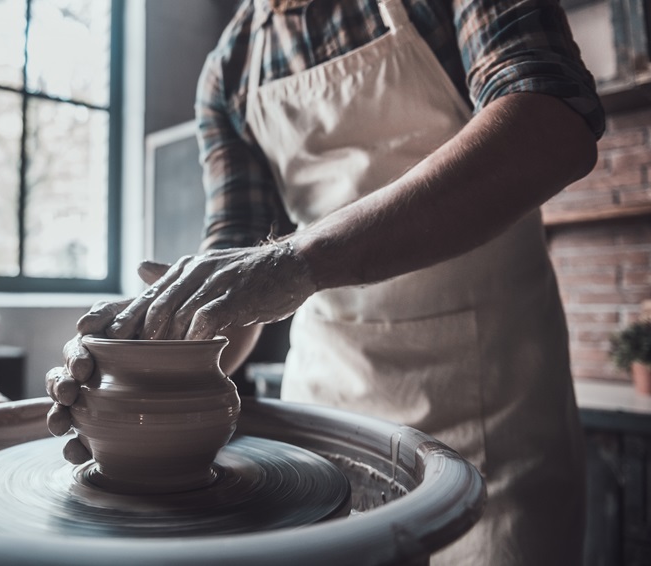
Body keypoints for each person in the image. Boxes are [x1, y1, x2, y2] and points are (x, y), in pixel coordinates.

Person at [47, 0, 604, 563]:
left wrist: (293, 262)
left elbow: (550, 119)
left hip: (493, 403)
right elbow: (232, 268)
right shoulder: (231, 68)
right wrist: (138, 349)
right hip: (329, 400)